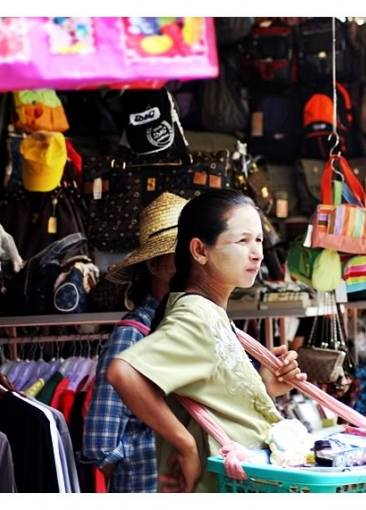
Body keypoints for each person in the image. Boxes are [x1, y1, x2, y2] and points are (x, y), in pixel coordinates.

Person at [107, 189, 307, 493]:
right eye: (242, 241)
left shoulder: (209, 314)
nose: (257, 253)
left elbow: (213, 400)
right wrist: (185, 445)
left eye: (259, 240)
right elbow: (123, 372)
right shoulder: (196, 315)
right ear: (200, 250)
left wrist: (265, 387)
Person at [83, 192, 187, 493]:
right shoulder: (134, 334)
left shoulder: (192, 327)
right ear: (154, 266)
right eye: (178, 258)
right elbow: (100, 442)